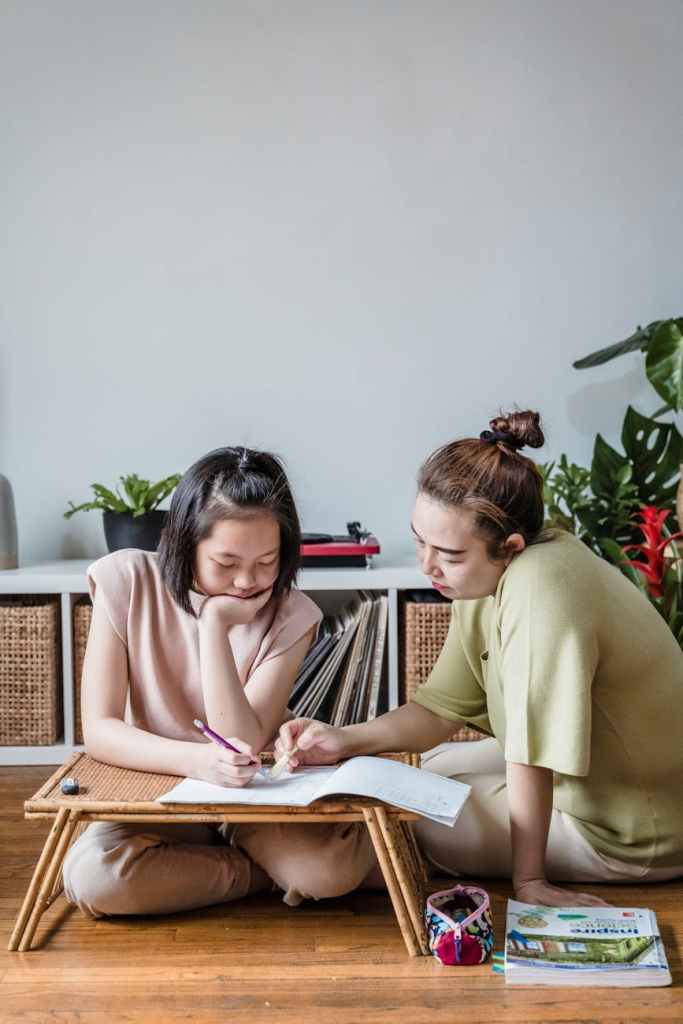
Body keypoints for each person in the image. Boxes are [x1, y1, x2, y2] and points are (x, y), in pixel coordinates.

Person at [276, 411, 683, 907]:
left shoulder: (540, 588)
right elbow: (438, 710)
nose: (427, 565)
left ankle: (299, 868)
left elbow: (532, 750)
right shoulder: (496, 574)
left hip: (633, 830)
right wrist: (344, 739)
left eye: (448, 554)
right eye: (421, 540)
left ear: (508, 547)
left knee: (411, 811)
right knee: (424, 766)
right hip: (594, 772)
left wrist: (530, 882)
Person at [63, 447, 375, 918]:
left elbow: (242, 737)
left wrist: (213, 626)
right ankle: (256, 875)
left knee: (328, 871)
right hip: (158, 785)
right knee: (95, 879)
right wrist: (198, 762)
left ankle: (210, 870)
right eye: (225, 563)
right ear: (184, 542)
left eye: (267, 561)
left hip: (252, 797)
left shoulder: (293, 614)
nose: (246, 582)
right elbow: (101, 728)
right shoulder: (124, 580)